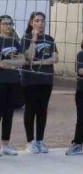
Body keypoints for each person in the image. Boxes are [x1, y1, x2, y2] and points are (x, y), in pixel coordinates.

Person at [22, 11, 56, 154]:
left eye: (42, 21)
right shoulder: (26, 38)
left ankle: (40, 140)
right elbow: (28, 57)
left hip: (46, 79)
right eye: (37, 21)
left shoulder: (49, 39)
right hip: (30, 81)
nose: (40, 23)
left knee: (42, 110)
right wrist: (34, 40)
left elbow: (55, 58)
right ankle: (30, 141)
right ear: (31, 23)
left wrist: (39, 62)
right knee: (30, 109)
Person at [0, 15, 23, 156]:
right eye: (5, 23)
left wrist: (7, 64)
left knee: (9, 114)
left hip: (14, 81)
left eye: (10, 23)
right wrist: (12, 63)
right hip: (1, 82)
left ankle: (6, 145)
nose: (8, 26)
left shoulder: (15, 41)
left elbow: (22, 60)